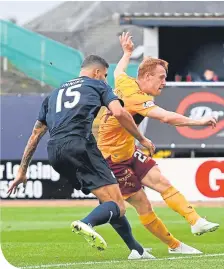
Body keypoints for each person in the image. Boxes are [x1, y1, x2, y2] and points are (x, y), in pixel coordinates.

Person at [7, 55, 155, 260]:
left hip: (55, 152)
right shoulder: (98, 86)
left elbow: (35, 135)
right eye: (104, 76)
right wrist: (142, 138)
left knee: (109, 201)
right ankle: (87, 223)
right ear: (96, 73)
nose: (105, 80)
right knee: (118, 206)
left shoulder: (53, 94)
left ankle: (136, 251)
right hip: (80, 145)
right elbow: (120, 113)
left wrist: (22, 171)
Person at [95, 32, 220, 254]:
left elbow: (118, 71)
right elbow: (167, 117)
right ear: (147, 77)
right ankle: (175, 246)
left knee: (161, 182)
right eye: (161, 77)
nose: (164, 82)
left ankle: (195, 221)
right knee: (143, 204)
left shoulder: (125, 81)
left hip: (129, 151)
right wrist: (199, 121)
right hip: (112, 160)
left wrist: (127, 53)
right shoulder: (137, 98)